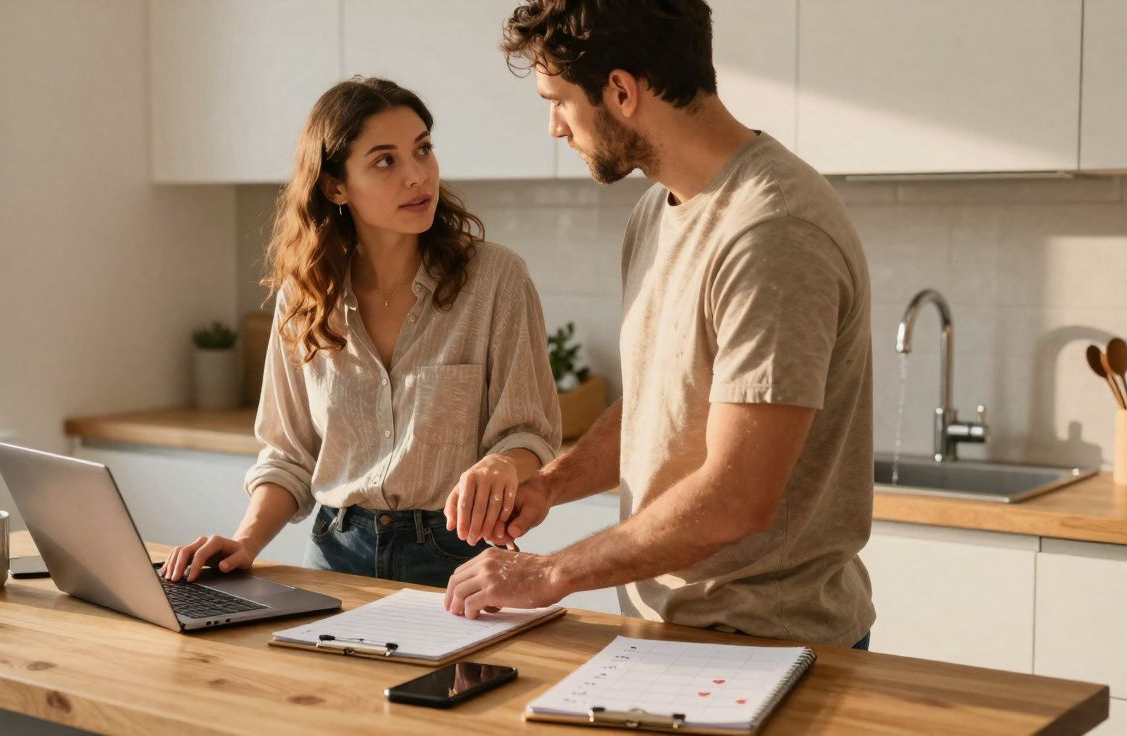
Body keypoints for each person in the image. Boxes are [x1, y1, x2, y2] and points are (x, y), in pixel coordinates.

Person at [444, 0, 876, 650]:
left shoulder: (774, 232)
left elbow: (738, 496)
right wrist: (549, 487)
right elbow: (661, 406)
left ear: (621, 91)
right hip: (668, 630)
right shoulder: (657, 213)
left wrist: (552, 573)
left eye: (558, 100)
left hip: (768, 644)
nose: (554, 127)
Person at [162, 77, 561, 588]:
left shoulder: (496, 280)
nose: (418, 176)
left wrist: (503, 463)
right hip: (334, 552)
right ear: (335, 186)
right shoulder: (305, 295)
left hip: (456, 556)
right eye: (386, 160)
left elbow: (531, 432)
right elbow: (289, 454)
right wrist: (245, 542)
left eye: (423, 150)